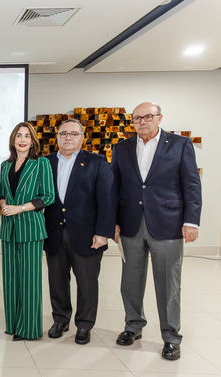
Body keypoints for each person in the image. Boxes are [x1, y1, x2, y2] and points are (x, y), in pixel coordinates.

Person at [112, 102, 201, 361]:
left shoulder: (179, 145)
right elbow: (114, 188)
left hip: (168, 224)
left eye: (148, 117)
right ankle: (133, 326)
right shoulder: (122, 148)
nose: (142, 121)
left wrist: (191, 221)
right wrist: (113, 222)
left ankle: (171, 337)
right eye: (137, 118)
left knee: (168, 285)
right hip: (130, 224)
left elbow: (191, 185)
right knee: (130, 282)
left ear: (159, 118)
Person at [44, 119, 116, 345]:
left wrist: (103, 232)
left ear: (82, 137)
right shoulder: (45, 163)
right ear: (57, 137)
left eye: (73, 134)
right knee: (56, 280)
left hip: (87, 235)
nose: (68, 137)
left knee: (86, 282)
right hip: (53, 231)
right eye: (63, 133)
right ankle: (60, 320)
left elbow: (107, 200)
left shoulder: (96, 162)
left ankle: (84, 325)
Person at [0, 122, 54, 341]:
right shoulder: (5, 165)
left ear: (33, 141)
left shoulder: (41, 164)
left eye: (27, 136)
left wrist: (19, 208)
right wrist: (3, 204)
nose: (22, 139)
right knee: (10, 280)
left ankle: (29, 329)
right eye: (18, 135)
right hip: (8, 230)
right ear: (13, 140)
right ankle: (12, 324)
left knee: (30, 281)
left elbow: (48, 196)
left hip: (31, 228)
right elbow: (1, 193)